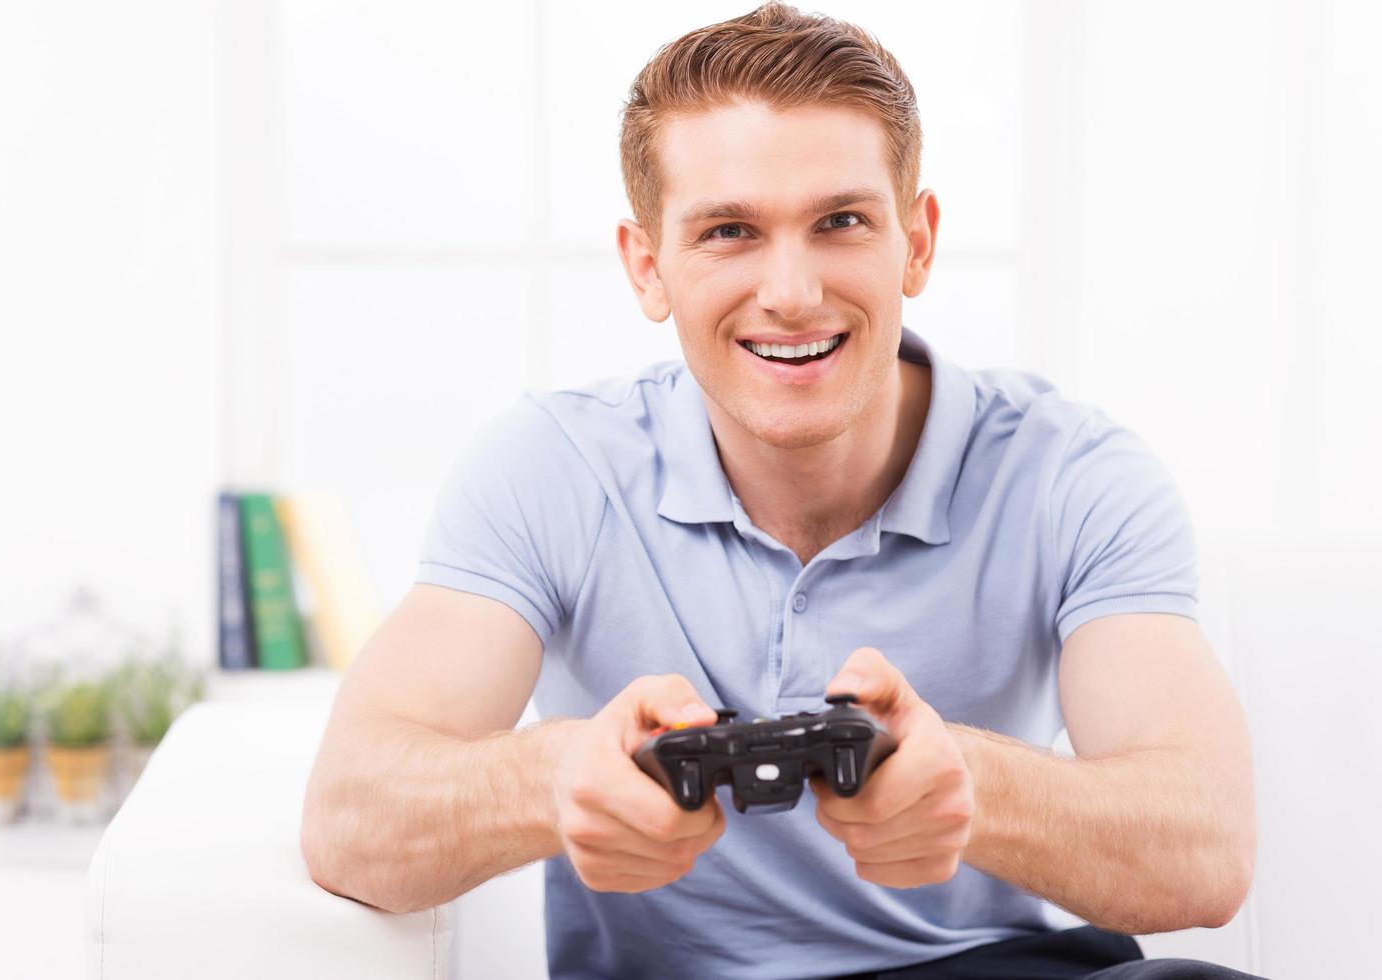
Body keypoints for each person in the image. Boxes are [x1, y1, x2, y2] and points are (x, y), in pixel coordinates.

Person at [300, 4, 1259, 978]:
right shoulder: (551, 466)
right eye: (728, 231)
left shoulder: (1071, 474)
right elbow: (348, 818)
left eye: (840, 220)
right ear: (647, 266)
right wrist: (553, 776)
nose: (791, 292)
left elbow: (1205, 850)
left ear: (915, 242)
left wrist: (975, 786)